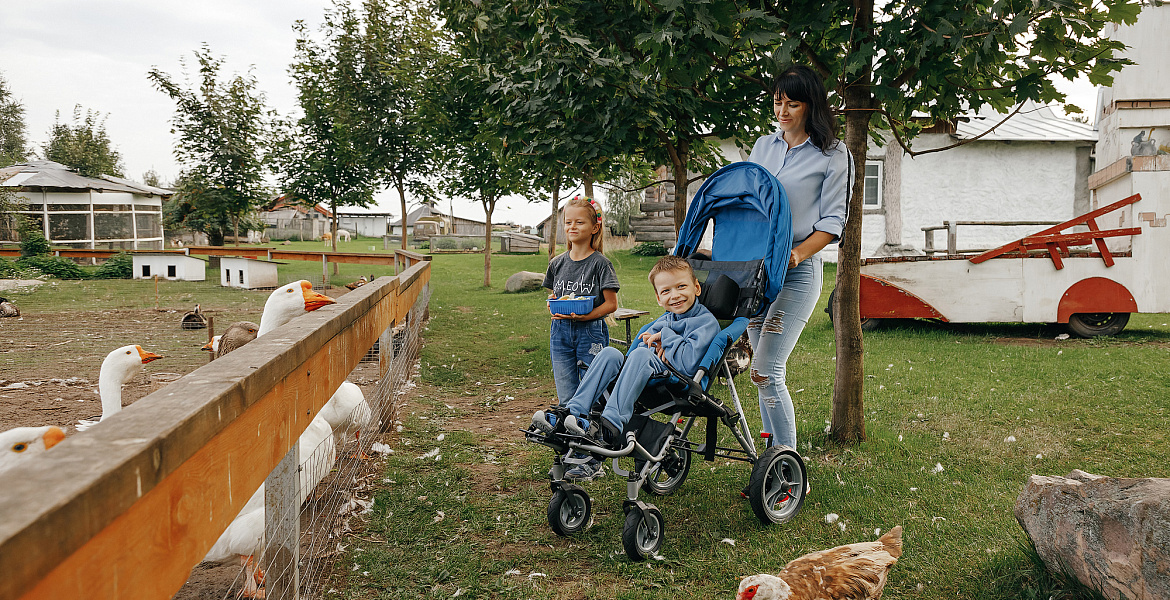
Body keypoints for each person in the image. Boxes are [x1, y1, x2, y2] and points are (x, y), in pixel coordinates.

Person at [746, 65, 851, 451]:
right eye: (778, 102)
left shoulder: (834, 154)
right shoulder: (763, 147)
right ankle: (770, 458)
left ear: (811, 106)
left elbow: (833, 219)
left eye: (793, 103)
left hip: (797, 271)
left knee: (765, 368)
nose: (783, 111)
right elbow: (748, 203)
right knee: (762, 373)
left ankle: (789, 468)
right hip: (757, 271)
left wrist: (797, 253)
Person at [533, 256, 720, 452]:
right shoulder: (665, 319)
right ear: (658, 298)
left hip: (677, 384)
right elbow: (647, 347)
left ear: (696, 288)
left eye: (681, 286)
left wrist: (666, 338)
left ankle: (610, 426)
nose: (674, 295)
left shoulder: (705, 323)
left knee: (640, 355)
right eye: (666, 291)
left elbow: (688, 364)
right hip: (647, 376)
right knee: (610, 354)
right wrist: (662, 343)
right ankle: (573, 413)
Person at [543, 195, 619, 480]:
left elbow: (610, 305)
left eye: (579, 222)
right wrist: (554, 304)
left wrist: (583, 316)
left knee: (593, 396)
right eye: (568, 222)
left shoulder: (601, 264)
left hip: (590, 333)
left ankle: (592, 459)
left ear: (594, 227)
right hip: (560, 334)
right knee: (567, 396)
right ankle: (573, 450)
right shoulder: (557, 263)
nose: (572, 227)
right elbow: (554, 296)